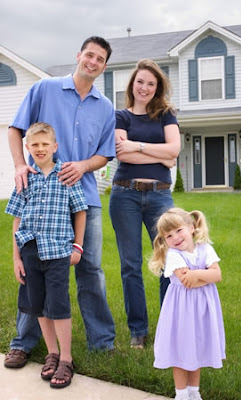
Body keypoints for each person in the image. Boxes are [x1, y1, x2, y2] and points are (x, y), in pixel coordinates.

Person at [4, 36, 116, 369]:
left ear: (104, 66)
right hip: (39, 196)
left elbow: (105, 154)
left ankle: (101, 342)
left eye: (100, 59)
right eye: (89, 55)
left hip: (82, 197)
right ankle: (24, 343)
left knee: (90, 269)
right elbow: (15, 129)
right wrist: (19, 165)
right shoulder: (45, 88)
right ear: (79, 55)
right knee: (33, 270)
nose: (93, 62)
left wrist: (83, 165)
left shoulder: (105, 107)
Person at [6, 123, 88, 388]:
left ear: (55, 147)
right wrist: (16, 258)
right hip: (30, 250)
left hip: (58, 251)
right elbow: (17, 220)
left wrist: (78, 246)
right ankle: (51, 354)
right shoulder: (24, 178)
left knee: (59, 305)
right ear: (27, 148)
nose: (40, 149)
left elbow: (80, 211)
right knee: (39, 305)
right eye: (35, 145)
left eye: (45, 144)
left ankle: (66, 358)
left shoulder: (66, 175)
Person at [109, 59, 181, 348]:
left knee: (169, 261)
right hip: (124, 194)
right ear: (132, 84)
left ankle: (168, 326)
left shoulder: (166, 115)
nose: (145, 87)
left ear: (157, 88)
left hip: (160, 195)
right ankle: (138, 331)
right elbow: (122, 155)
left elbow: (175, 150)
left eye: (151, 83)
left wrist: (137, 146)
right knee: (130, 265)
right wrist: (161, 155)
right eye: (141, 81)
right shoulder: (120, 116)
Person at [149, 208, 226, 400]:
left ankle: (194, 392)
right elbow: (187, 282)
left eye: (178, 230)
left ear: (191, 227)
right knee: (181, 350)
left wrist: (196, 274)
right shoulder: (173, 255)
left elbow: (218, 275)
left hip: (202, 311)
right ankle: (181, 394)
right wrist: (203, 276)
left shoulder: (205, 248)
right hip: (181, 311)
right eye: (168, 235)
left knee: (196, 348)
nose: (175, 237)